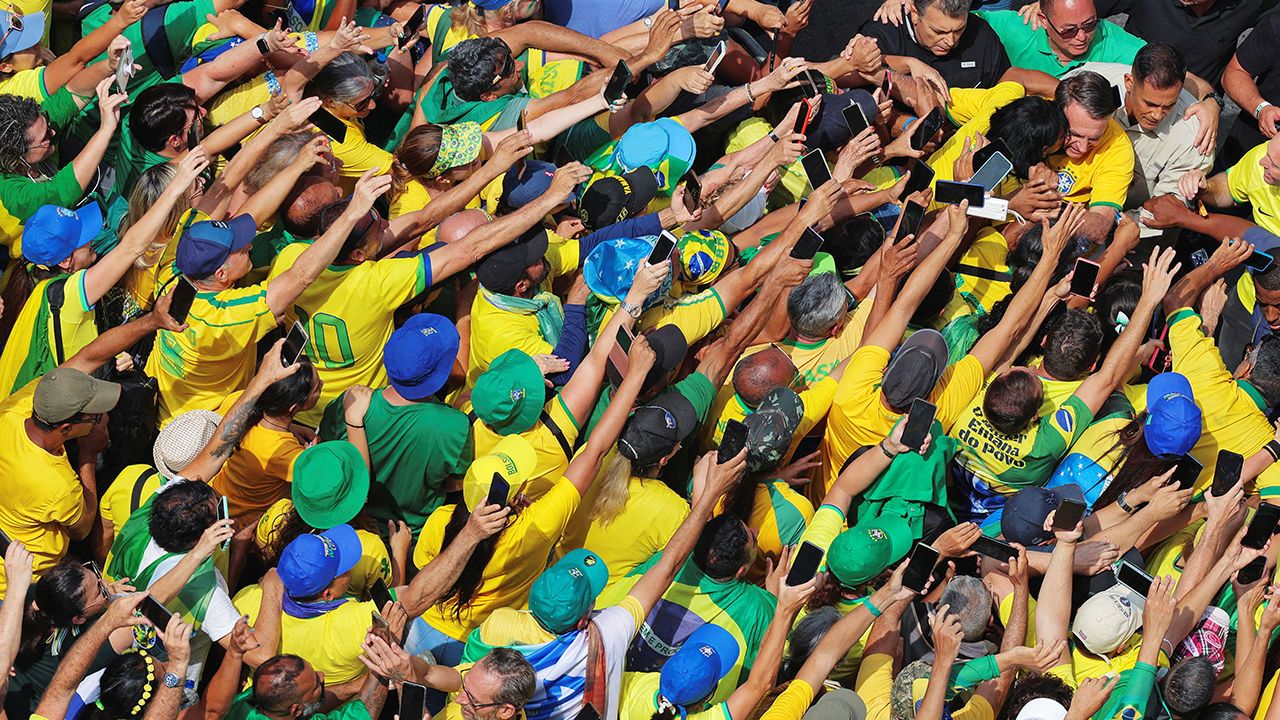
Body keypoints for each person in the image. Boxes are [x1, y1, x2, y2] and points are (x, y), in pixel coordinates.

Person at [1067, 44, 1211, 213]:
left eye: (1169, 105)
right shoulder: (1084, 86)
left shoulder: (1194, 136)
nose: (1157, 115)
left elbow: (1169, 210)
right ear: (1129, 82)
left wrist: (1117, 228)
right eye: (1150, 104)